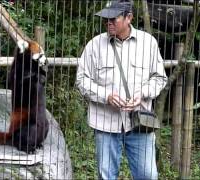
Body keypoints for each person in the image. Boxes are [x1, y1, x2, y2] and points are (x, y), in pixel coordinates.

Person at [76, 0, 167, 179]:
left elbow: (159, 78)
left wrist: (142, 94)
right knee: (106, 176)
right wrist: (106, 96)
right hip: (105, 124)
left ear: (129, 18)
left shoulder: (148, 43)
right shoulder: (94, 45)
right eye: (105, 19)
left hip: (140, 123)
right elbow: (81, 80)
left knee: (148, 175)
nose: (108, 22)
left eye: (113, 18)